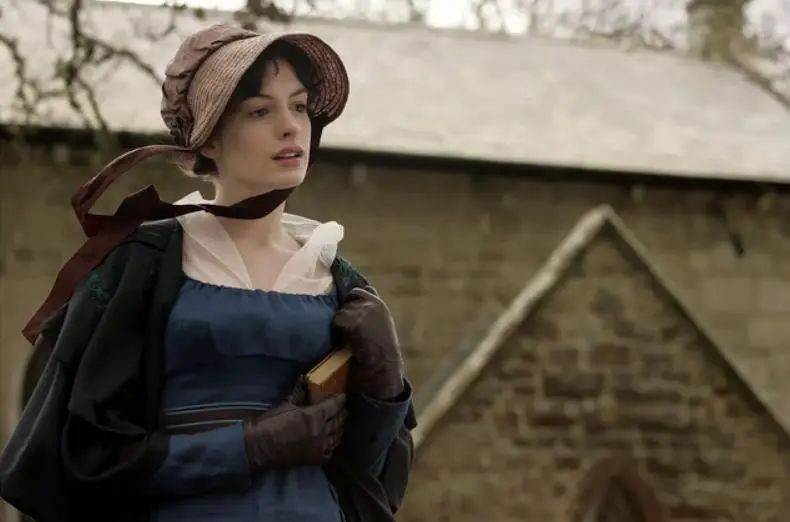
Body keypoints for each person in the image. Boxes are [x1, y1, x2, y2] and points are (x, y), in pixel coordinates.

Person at [0, 24, 416, 522]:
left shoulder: (341, 284)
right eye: (260, 111)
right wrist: (249, 446)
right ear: (209, 138)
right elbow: (87, 459)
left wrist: (386, 386)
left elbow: (373, 482)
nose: (290, 127)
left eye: (300, 106)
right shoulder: (143, 265)